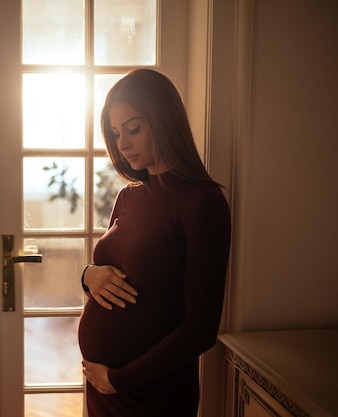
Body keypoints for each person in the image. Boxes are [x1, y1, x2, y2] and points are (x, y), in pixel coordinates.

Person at [78, 68, 231, 417]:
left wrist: (119, 379)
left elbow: (200, 330)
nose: (122, 143)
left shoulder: (203, 203)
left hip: (151, 396)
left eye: (133, 128)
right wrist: (87, 275)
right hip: (105, 389)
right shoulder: (129, 197)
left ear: (164, 121)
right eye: (116, 133)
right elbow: (115, 273)